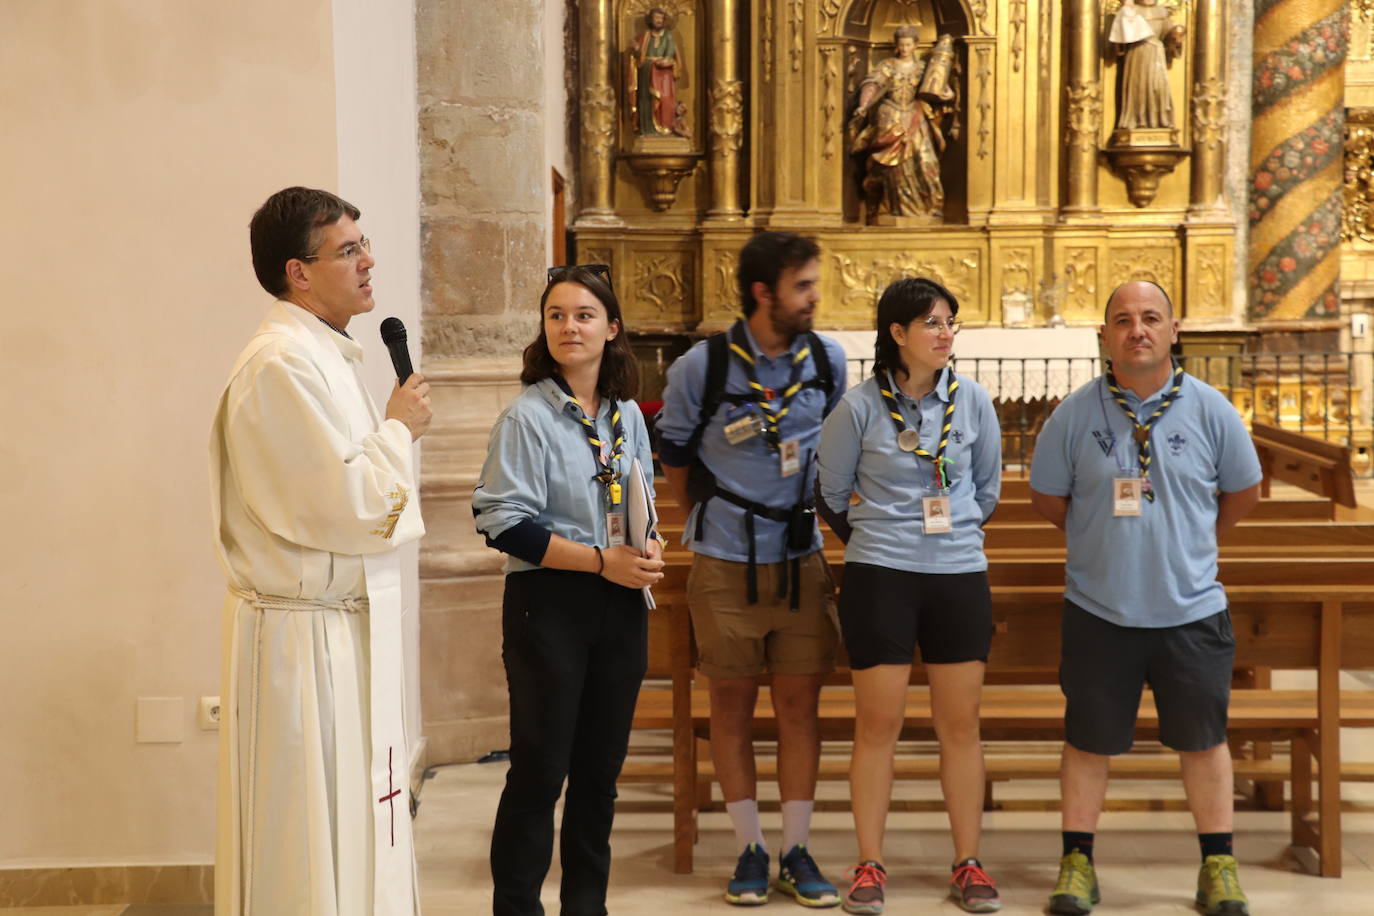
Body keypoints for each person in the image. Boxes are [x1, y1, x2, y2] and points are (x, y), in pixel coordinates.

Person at [210, 186, 433, 914]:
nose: (369, 260)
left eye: (363, 243)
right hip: (302, 644)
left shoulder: (327, 356)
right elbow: (346, 506)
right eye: (348, 249)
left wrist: (393, 432)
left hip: (338, 629)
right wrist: (399, 430)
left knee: (351, 828)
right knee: (307, 840)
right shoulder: (280, 366)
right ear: (297, 272)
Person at [1029, 281, 1262, 916]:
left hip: (1190, 609)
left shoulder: (1212, 410)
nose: (1137, 329)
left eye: (1150, 318)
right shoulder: (1074, 415)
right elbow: (1048, 500)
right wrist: (1100, 539)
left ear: (1173, 330)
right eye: (1123, 319)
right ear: (1104, 335)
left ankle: (1218, 864)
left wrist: (1190, 542)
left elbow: (1243, 493)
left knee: (1204, 740)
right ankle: (1077, 862)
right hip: (1101, 609)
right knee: (1088, 740)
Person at [656, 232, 848, 907]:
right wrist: (717, 519)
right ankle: (750, 847)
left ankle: (795, 848)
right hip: (725, 563)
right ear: (764, 293)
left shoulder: (828, 360)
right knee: (731, 709)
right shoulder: (702, 367)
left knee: (800, 710)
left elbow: (834, 451)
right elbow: (675, 461)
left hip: (801, 560)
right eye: (802, 286)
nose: (814, 298)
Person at [473, 264, 665, 916]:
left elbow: (640, 496)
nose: (568, 327)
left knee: (598, 780)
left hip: (619, 605)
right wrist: (600, 562)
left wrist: (650, 545)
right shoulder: (527, 417)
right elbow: (499, 523)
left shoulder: (626, 415)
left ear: (611, 329)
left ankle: (588, 907)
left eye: (583, 315)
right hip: (548, 606)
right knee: (538, 773)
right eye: (556, 315)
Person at [816, 278, 1003, 915]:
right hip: (881, 577)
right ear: (897, 334)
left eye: (951, 321)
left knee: (960, 726)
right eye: (931, 322)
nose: (945, 333)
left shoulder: (973, 400)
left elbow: (987, 490)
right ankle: (869, 864)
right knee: (878, 726)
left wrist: (947, 538)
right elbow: (831, 495)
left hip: (957, 575)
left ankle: (969, 863)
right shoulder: (859, 408)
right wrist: (878, 537)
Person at [848, 27, 955, 220]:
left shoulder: (923, 67)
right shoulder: (887, 66)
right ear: (896, 45)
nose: (904, 48)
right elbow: (872, 84)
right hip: (890, 118)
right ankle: (893, 208)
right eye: (901, 44)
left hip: (915, 117)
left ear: (915, 46)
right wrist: (863, 105)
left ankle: (929, 206)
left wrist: (948, 94)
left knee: (926, 162)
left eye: (908, 44)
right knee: (893, 169)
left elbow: (938, 85)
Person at [630, 6, 688, 137]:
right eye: (656, 18)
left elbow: (671, 52)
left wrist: (667, 61)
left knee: (665, 99)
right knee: (647, 100)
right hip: (647, 71)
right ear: (651, 19)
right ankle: (648, 129)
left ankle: (666, 128)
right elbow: (640, 56)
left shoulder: (668, 35)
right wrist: (636, 49)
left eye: (661, 18)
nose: (658, 21)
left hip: (664, 74)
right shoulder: (646, 35)